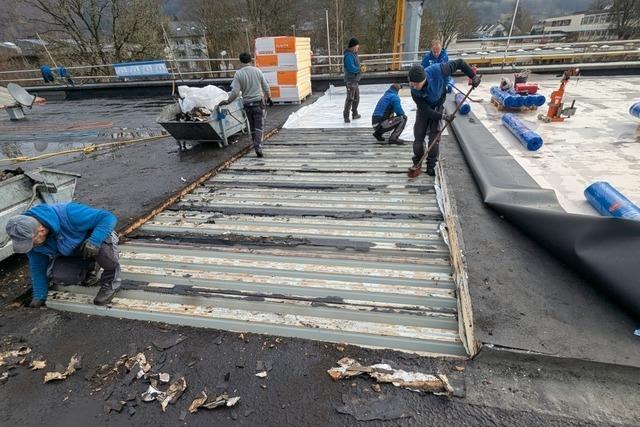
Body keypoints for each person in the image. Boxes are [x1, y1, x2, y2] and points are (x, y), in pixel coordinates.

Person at [5, 202, 121, 307]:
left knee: (104, 252)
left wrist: (95, 241)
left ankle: (111, 284)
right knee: (59, 275)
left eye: (31, 242)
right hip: (73, 250)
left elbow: (107, 217)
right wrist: (39, 295)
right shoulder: (30, 238)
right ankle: (91, 267)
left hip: (98, 240)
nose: (31, 246)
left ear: (42, 230)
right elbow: (38, 267)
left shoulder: (69, 213)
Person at [408, 60, 481, 176]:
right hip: (425, 109)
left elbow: (460, 63)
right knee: (418, 136)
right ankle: (417, 163)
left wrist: (473, 76)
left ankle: (431, 165)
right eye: (412, 84)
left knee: (434, 137)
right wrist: (443, 117)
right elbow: (427, 111)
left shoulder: (438, 70)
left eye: (417, 84)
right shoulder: (413, 90)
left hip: (437, 104)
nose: (414, 87)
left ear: (424, 79)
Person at [224, 52, 271, 157]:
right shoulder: (257, 71)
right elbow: (266, 87)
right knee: (259, 126)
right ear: (251, 60)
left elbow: (235, 92)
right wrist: (269, 97)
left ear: (240, 61)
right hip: (258, 103)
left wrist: (228, 101)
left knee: (252, 126)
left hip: (247, 104)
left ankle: (256, 144)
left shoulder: (238, 74)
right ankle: (258, 146)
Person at [343, 37, 362, 123]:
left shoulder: (354, 54)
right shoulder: (348, 56)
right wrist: (359, 69)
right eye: (357, 46)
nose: (358, 47)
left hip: (355, 80)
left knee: (356, 98)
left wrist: (360, 68)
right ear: (353, 46)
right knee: (350, 98)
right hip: (350, 80)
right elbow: (351, 67)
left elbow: (356, 65)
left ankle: (355, 113)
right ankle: (346, 116)